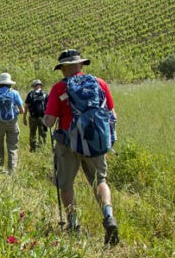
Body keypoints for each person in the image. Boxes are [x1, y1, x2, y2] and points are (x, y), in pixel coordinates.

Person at [43, 49, 119, 244]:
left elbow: (50, 122)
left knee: (66, 185)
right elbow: (112, 115)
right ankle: (108, 215)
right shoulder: (99, 83)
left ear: (64, 68)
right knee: (100, 181)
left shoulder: (59, 89)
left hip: (68, 143)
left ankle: (73, 224)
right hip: (95, 140)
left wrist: (48, 117)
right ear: (81, 65)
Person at [0, 73, 25, 173]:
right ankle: (12, 170)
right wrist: (15, 112)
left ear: (0, 83)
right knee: (12, 146)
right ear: (10, 84)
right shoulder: (14, 93)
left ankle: (0, 169)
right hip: (13, 122)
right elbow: (22, 110)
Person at [23, 79, 48, 151]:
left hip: (32, 117)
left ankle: (33, 149)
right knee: (43, 133)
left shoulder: (30, 94)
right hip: (43, 117)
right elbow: (49, 106)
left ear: (34, 86)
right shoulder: (45, 94)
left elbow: (26, 106)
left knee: (32, 133)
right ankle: (42, 148)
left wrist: (24, 118)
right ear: (41, 85)